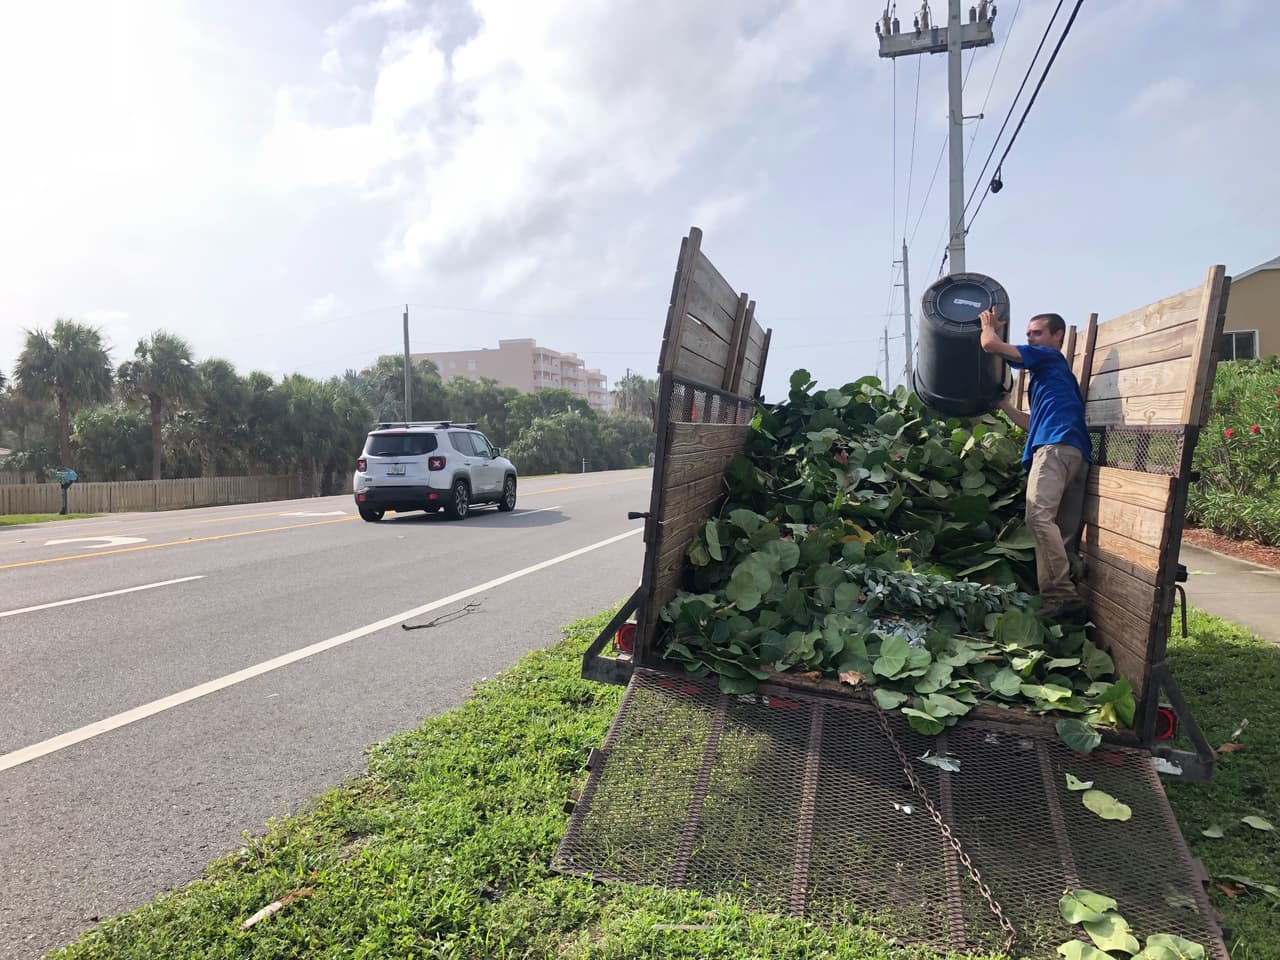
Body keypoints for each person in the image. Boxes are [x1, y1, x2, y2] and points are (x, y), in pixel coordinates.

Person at [979, 308, 1091, 618]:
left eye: (1037, 333)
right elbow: (1033, 425)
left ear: (1058, 337)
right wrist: (1004, 405)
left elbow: (989, 346)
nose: (1031, 339)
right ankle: (1065, 604)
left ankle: (1062, 597)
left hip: (1055, 449)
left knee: (1038, 517)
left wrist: (989, 327)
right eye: (1028, 334)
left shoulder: (1048, 357)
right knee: (1059, 529)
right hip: (1071, 451)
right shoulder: (1053, 379)